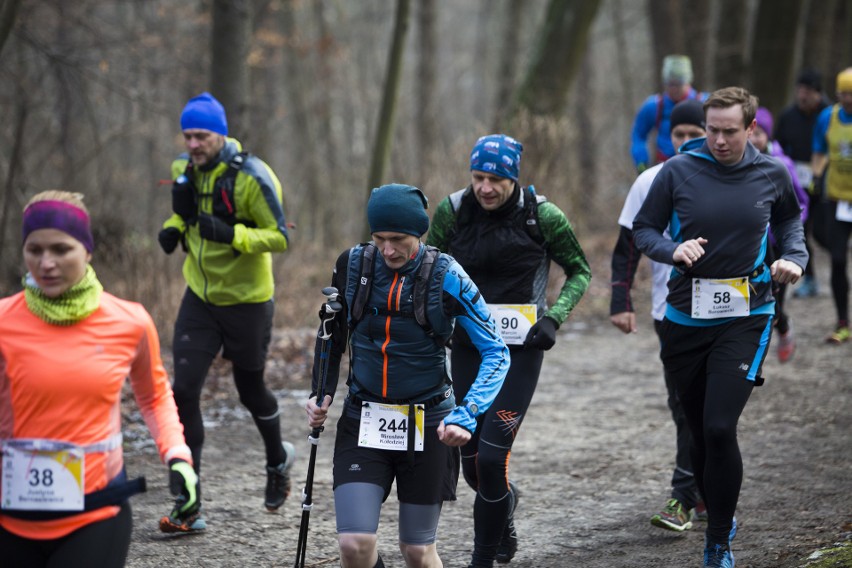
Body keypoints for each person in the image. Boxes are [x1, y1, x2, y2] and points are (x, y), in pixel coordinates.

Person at [632, 87, 807, 567]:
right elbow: (644, 230)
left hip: (748, 315)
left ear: (750, 129)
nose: (719, 140)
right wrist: (673, 250)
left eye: (730, 131)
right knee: (696, 430)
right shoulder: (677, 171)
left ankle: (717, 541)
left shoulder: (772, 172)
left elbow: (791, 221)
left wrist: (793, 257)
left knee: (718, 426)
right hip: (685, 318)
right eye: (712, 130)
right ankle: (718, 514)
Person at [305, 184, 510, 568]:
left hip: (427, 421)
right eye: (379, 238)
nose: (388, 250)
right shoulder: (352, 265)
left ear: (419, 233)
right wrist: (322, 391)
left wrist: (468, 413)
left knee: (416, 551)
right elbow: (331, 331)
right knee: (354, 544)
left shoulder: (447, 275)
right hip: (363, 418)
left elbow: (496, 350)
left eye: (398, 239)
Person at [0, 191, 197, 567]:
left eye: (61, 249)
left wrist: (177, 455)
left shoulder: (129, 321)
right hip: (10, 517)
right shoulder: (4, 322)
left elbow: (155, 396)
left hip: (96, 515)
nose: (46, 263)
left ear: (87, 250)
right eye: (34, 249)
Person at [427, 134, 591, 567]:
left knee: (494, 454)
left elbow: (580, 270)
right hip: (468, 348)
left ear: (514, 178)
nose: (485, 188)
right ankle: (505, 511)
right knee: (472, 467)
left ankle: (481, 560)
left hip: (520, 351)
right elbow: (429, 269)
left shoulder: (543, 216)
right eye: (478, 177)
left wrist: (553, 317)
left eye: (496, 179)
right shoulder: (453, 212)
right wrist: (437, 318)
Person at [157, 92, 295, 532]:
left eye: (201, 135)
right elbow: (186, 216)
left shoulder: (253, 177)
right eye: (188, 135)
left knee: (250, 390)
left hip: (248, 301)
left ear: (220, 134)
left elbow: (279, 236)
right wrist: (172, 228)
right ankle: (187, 500)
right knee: (183, 392)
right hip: (200, 297)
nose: (193, 144)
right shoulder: (183, 169)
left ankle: (277, 461)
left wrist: (231, 234)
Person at [610, 99, 707, 532]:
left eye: (694, 134)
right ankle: (701, 485)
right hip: (670, 310)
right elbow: (627, 245)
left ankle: (683, 496)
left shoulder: (731, 179)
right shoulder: (651, 180)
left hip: (729, 312)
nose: (685, 142)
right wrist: (620, 300)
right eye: (679, 135)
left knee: (705, 408)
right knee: (682, 403)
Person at [750, 106, 810, 361]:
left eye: (760, 134)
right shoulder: (739, 164)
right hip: (750, 246)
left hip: (775, 250)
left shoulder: (781, 165)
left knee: (773, 303)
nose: (754, 139)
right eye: (751, 133)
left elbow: (800, 203)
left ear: (768, 135)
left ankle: (783, 329)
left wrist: (784, 230)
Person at [775, 69, 830, 297]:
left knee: (823, 231)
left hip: (826, 181)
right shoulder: (788, 116)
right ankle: (810, 278)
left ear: (818, 93)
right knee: (802, 232)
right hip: (798, 183)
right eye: (799, 91)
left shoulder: (829, 114)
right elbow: (777, 145)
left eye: (808, 91)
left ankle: (836, 260)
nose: (802, 96)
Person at [812, 68, 852, 344]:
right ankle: (842, 323)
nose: (849, 99)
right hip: (837, 200)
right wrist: (816, 176)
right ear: (837, 94)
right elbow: (819, 149)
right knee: (838, 260)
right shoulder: (828, 117)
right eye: (844, 93)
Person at [630, 54, 708, 172]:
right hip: (664, 166)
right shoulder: (654, 106)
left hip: (699, 166)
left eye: (679, 84)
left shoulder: (706, 103)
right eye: (670, 84)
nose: (674, 89)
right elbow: (638, 135)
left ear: (688, 82)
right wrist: (641, 162)